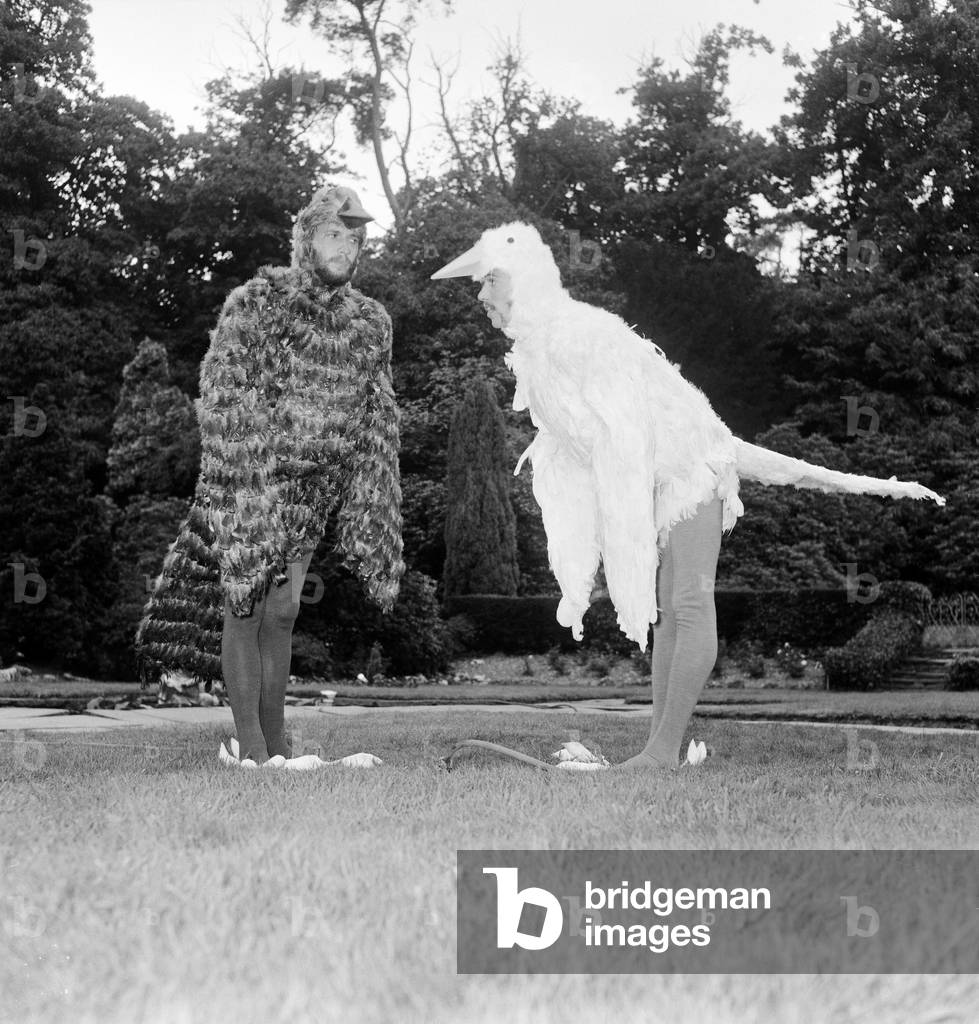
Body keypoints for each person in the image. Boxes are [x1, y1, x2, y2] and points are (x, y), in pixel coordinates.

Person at [433, 223, 943, 774]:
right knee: (665, 616)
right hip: (659, 478)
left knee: (688, 604)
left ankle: (661, 752)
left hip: (695, 465)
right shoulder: (540, 348)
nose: (480, 296)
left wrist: (626, 531)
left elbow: (627, 434)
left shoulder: (579, 334)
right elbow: (575, 445)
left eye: (488, 282)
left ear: (523, 280)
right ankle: (660, 751)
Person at [135, 184, 404, 767]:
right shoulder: (256, 302)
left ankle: (277, 744)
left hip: (315, 490)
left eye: (355, 239)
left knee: (283, 611)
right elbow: (224, 391)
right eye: (335, 234)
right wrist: (248, 485)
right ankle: (252, 751)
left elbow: (376, 412)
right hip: (251, 481)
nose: (347, 248)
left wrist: (370, 500)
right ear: (306, 238)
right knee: (246, 605)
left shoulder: (370, 322)